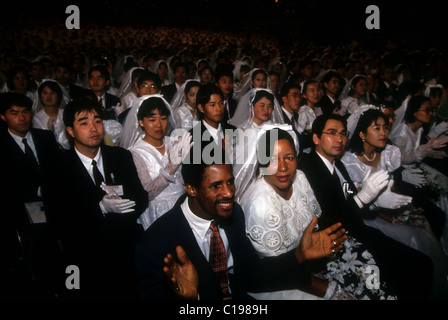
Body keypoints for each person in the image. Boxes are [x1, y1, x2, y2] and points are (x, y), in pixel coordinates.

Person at [135, 150, 347, 300]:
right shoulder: (155, 243)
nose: (229, 193)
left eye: (230, 181)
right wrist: (190, 300)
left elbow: (254, 272)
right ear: (191, 189)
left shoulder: (233, 213)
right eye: (216, 186)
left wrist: (299, 254)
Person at [297, 113, 434, 299]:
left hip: (358, 231)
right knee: (412, 269)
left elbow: (351, 201)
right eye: (332, 133)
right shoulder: (308, 168)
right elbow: (330, 216)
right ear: (316, 138)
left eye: (343, 133)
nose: (339, 139)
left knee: (421, 263)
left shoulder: (337, 165)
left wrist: (376, 202)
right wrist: (363, 198)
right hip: (337, 242)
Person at [343, 106, 448, 298]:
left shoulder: (389, 153)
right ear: (362, 133)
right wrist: (394, 219)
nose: (384, 132)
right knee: (415, 238)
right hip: (370, 217)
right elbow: (362, 205)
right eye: (377, 128)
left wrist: (404, 211)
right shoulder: (350, 162)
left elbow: (395, 190)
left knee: (424, 226)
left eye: (385, 127)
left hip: (390, 211)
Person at [53, 96, 148, 299]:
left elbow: (140, 198)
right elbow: (60, 219)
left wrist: (123, 207)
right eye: (84, 123)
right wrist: (100, 209)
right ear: (70, 131)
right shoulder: (58, 168)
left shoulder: (120, 156)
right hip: (83, 257)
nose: (94, 128)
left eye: (97, 120)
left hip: (123, 251)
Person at [0, 92, 64, 298]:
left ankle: (66, 287)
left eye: (25, 112)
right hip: (19, 215)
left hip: (54, 207)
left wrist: (50, 189)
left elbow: (59, 170)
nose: (21, 118)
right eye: (14, 113)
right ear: (3, 117)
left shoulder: (44, 137)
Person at [389, 96, 448, 254]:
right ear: (415, 113)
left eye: (431, 110)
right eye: (427, 110)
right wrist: (424, 149)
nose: (430, 113)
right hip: (401, 176)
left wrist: (429, 151)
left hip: (414, 170)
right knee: (434, 210)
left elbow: (418, 153)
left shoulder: (420, 129)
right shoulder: (401, 134)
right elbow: (399, 159)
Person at [130, 96, 191, 230]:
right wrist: (173, 165)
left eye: (163, 119)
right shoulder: (136, 152)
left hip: (182, 206)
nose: (158, 125)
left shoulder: (175, 142)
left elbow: (186, 180)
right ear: (141, 122)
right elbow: (148, 193)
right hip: (158, 212)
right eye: (152, 120)